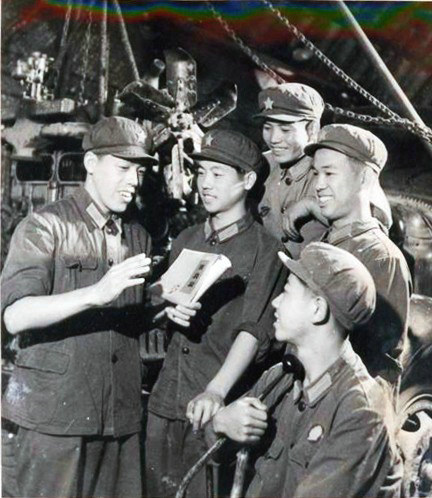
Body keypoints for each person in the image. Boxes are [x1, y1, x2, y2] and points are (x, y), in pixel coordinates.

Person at [1, 116, 155, 497]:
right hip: (56, 417)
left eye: (139, 171)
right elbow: (15, 316)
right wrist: (95, 293)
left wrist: (164, 305)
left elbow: (127, 321)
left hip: (119, 417)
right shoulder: (44, 227)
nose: (134, 181)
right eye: (123, 168)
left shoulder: (138, 236)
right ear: (90, 163)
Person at [146, 129, 286, 497]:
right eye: (201, 172)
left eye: (217, 174)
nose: (205, 183)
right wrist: (166, 312)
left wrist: (215, 391)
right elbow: (160, 305)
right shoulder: (185, 240)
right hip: (165, 401)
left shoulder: (266, 251)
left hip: (214, 409)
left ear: (247, 181)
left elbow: (254, 331)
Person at [210, 242, 403, 497]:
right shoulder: (280, 378)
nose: (275, 302)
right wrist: (221, 423)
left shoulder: (361, 411)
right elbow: (216, 455)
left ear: (317, 309)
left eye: (286, 291)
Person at [292, 124, 411, 387]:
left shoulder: (381, 258)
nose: (318, 185)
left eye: (329, 173)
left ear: (365, 178)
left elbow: (379, 369)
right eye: (316, 173)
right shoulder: (326, 240)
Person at [254, 82, 327, 257]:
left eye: (285, 129)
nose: (274, 139)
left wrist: (313, 206)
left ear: (312, 129)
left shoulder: (332, 169)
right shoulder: (262, 164)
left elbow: (369, 224)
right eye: (267, 127)